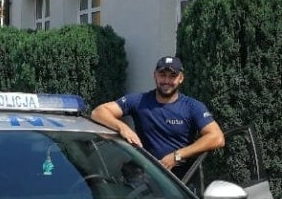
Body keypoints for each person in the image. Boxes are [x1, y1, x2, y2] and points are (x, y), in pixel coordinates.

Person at [91, 55, 224, 177]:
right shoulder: (139, 101)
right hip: (143, 176)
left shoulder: (192, 107)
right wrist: (122, 127)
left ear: (181, 78)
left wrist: (176, 156)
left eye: (172, 76)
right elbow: (98, 112)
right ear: (155, 75)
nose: (166, 80)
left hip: (179, 181)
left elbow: (217, 138)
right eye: (162, 75)